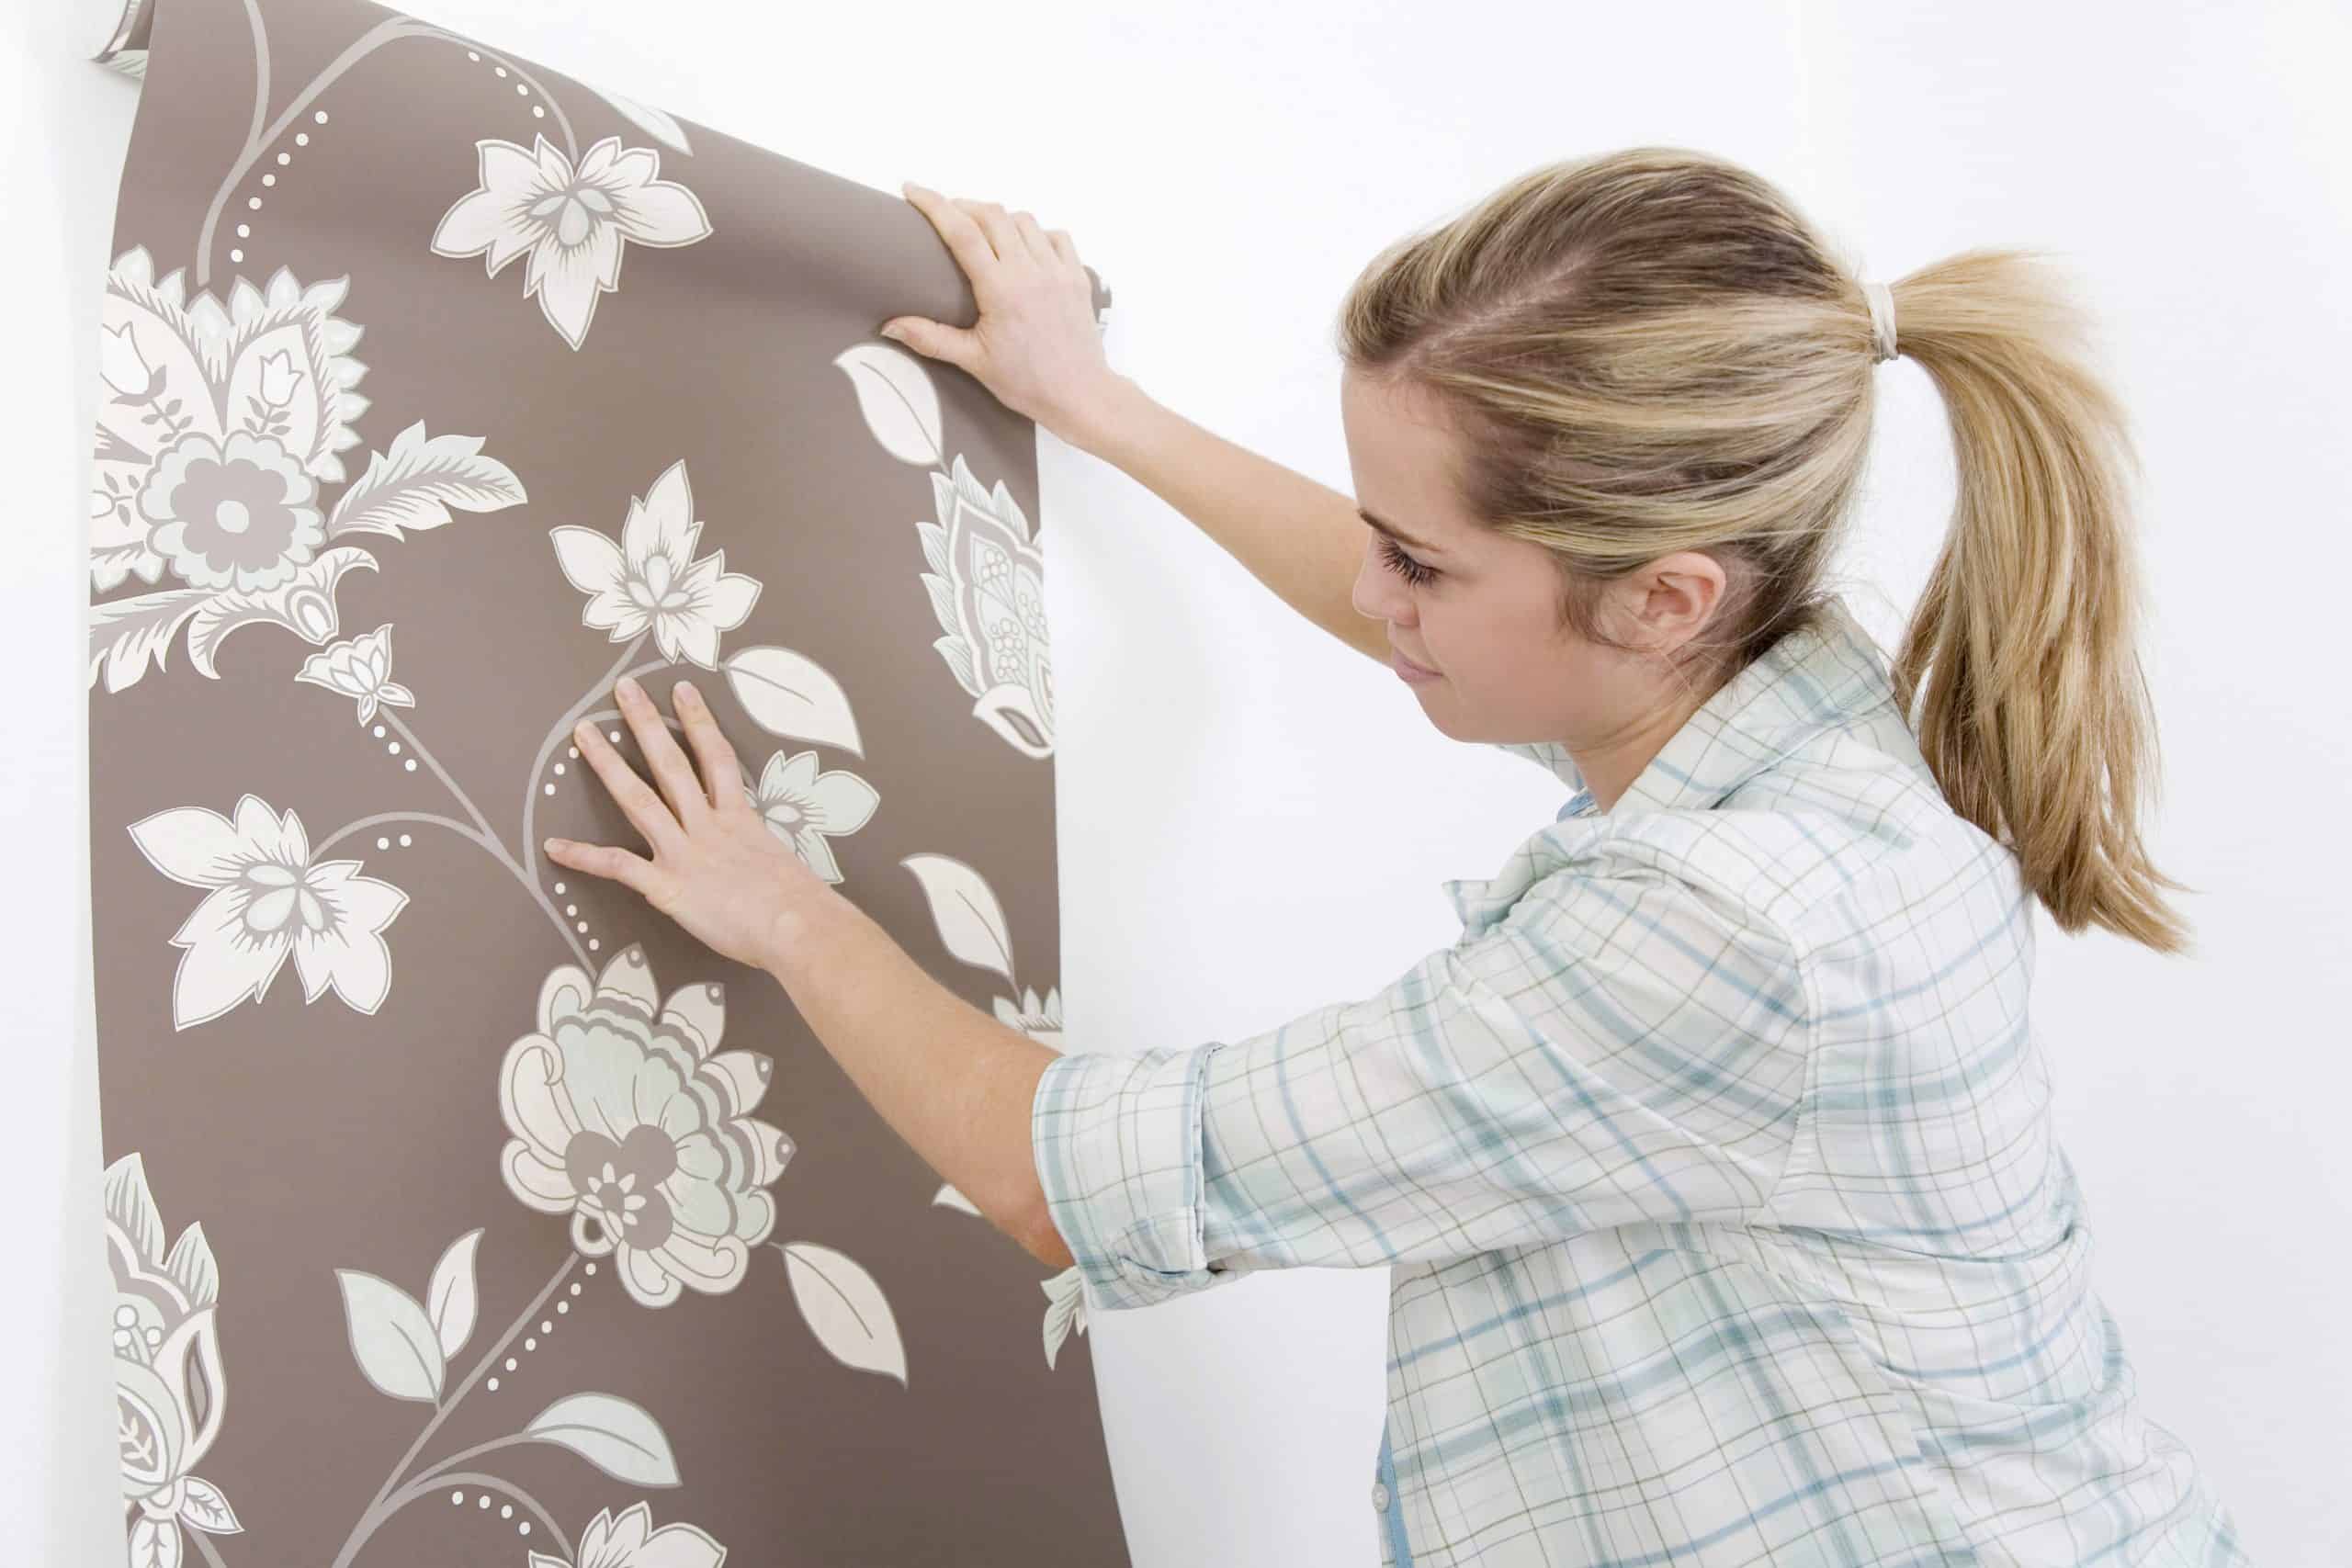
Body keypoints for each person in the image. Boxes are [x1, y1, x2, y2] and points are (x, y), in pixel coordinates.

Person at [540, 146, 2250, 1565]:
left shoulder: (1720, 931)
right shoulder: (1779, 699)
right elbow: (1471, 612)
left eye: (1418, 566)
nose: (1379, 600)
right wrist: (1097, 407)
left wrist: (780, 908)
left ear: (1667, 597)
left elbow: (1055, 1177)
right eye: (1383, 539)